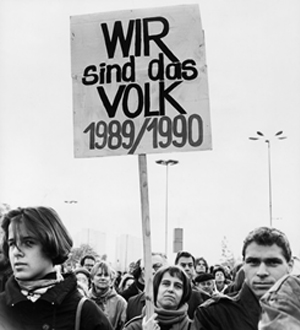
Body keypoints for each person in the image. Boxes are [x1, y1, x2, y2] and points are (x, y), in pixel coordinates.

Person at [0, 206, 112, 329]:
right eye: (11, 244)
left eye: (28, 242)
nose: (16, 252)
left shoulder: (85, 313)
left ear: (52, 244)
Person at [192, 227, 294, 330]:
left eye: (272, 262)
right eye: (253, 262)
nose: (261, 272)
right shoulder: (213, 315)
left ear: (290, 266)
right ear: (244, 266)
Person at [124, 265, 192, 330]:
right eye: (166, 284)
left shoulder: (192, 327)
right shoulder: (135, 327)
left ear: (184, 293)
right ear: (156, 288)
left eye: (178, 286)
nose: (171, 289)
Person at [125, 253, 168, 322]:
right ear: (142, 274)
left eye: (157, 266)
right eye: (147, 268)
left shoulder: (175, 299)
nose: (152, 271)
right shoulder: (132, 303)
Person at [89, 260, 127, 329]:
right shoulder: (85, 299)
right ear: (92, 279)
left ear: (111, 279)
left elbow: (124, 326)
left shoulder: (120, 302)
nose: (103, 278)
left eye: (106, 275)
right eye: (99, 275)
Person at [175, 250, 205, 320]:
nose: (187, 268)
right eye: (183, 265)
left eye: (190, 265)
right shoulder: (169, 292)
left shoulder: (200, 295)